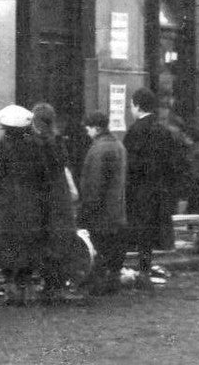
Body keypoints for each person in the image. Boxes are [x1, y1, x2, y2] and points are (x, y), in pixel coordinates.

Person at [0, 103, 48, 306]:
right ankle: (27, 287)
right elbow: (43, 177)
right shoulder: (35, 147)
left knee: (6, 248)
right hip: (31, 207)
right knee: (28, 247)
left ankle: (11, 288)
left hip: (5, 208)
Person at [124, 88, 186, 290]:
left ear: (137, 106)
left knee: (140, 230)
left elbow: (131, 166)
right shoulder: (163, 131)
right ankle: (145, 269)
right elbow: (173, 164)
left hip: (140, 190)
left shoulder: (135, 131)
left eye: (132, 105)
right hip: (159, 190)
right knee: (150, 232)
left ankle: (140, 272)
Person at [30, 102, 83, 302]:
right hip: (61, 200)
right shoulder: (58, 141)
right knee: (60, 243)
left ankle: (50, 286)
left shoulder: (39, 144)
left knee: (47, 243)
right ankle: (57, 285)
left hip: (46, 201)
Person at [78, 111, 127, 295]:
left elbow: (94, 184)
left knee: (99, 249)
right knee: (113, 250)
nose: (87, 132)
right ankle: (113, 282)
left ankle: (97, 285)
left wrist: (86, 210)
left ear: (96, 128)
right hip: (117, 210)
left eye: (88, 128)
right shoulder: (118, 145)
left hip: (101, 212)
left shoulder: (98, 149)